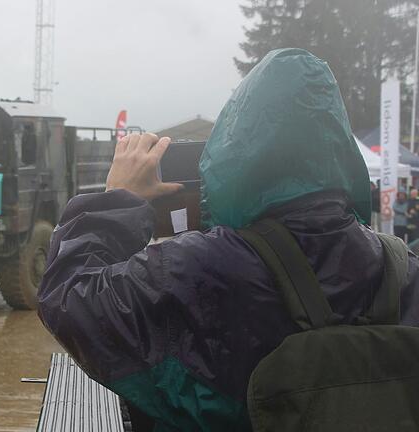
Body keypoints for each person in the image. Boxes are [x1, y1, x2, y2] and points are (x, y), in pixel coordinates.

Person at [38, 48, 419, 430]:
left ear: (234, 151)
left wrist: (118, 200)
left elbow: (70, 299)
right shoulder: (405, 270)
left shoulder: (200, 267)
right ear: (340, 149)